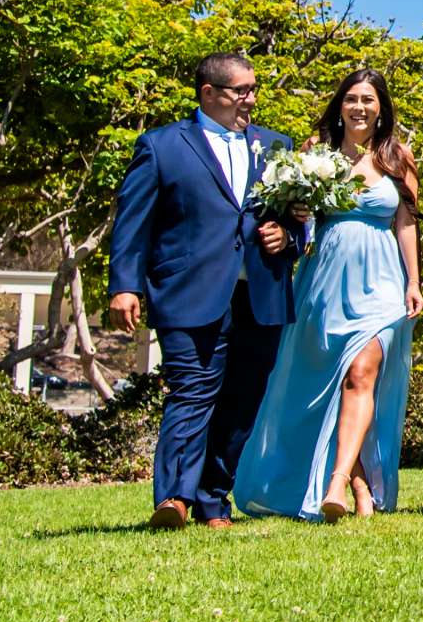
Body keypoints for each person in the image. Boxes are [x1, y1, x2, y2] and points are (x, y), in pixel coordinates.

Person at [108, 52, 302, 528]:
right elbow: (134, 223)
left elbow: (297, 219)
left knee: (243, 399)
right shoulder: (162, 146)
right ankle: (173, 497)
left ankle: (214, 500)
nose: (251, 100)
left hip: (261, 292)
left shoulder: (277, 147)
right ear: (209, 94)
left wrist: (288, 238)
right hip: (188, 292)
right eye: (242, 91)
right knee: (192, 391)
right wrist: (125, 286)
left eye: (254, 90)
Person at [236, 68, 423, 522]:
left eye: (369, 99)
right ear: (340, 105)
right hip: (325, 280)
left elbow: (406, 222)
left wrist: (414, 282)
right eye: (351, 99)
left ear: (382, 108)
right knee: (335, 382)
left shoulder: (399, 156)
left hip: (382, 282)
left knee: (362, 372)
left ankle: (336, 481)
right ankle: (360, 486)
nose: (359, 107)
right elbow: (297, 222)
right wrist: (298, 216)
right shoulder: (313, 154)